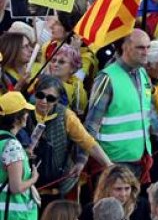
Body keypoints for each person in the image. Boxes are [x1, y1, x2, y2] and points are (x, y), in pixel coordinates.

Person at [85, 30, 158, 176]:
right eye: (140, 47)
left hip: (138, 159)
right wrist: (82, 161)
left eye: (148, 47)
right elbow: (91, 126)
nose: (146, 52)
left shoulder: (142, 74)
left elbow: (148, 114)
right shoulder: (107, 78)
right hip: (111, 162)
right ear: (125, 47)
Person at [29, 76, 112, 207]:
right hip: (26, 185)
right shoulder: (24, 110)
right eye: (40, 95)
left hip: (57, 186)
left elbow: (88, 143)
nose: (44, 101)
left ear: (57, 100)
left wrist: (109, 166)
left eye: (50, 98)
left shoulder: (66, 116)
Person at [0, 91, 39, 220]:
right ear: (17, 118)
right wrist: (34, 178)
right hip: (13, 216)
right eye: (25, 111)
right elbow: (16, 188)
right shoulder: (12, 145)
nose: (27, 115)